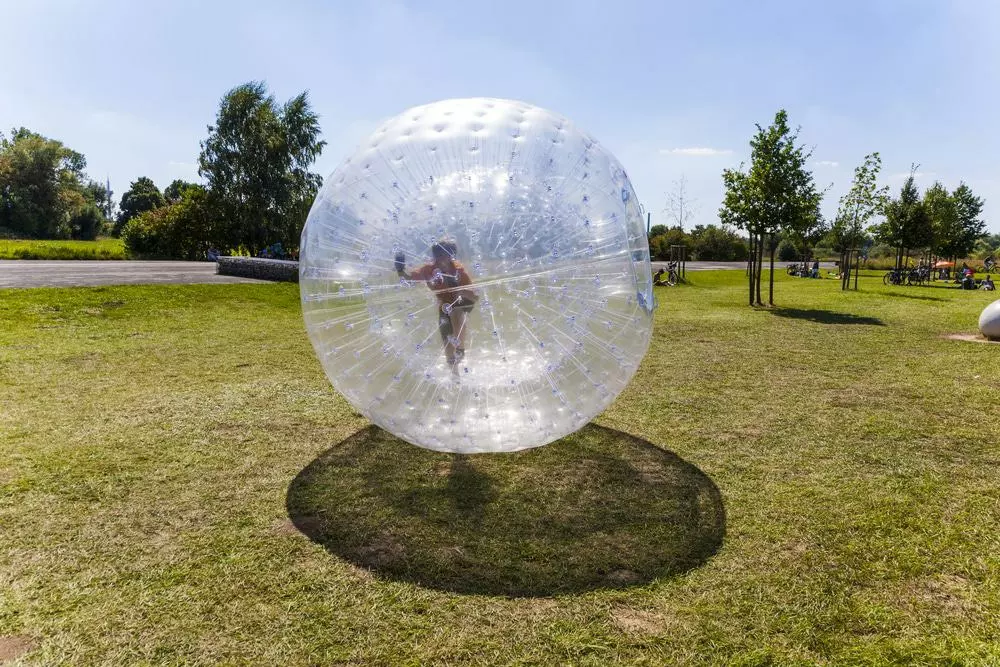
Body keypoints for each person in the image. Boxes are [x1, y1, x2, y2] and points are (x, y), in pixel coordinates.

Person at [395, 241, 477, 373]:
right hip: (444, 305)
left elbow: (474, 297)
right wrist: (400, 270)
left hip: (462, 302)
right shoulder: (428, 270)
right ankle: (455, 378)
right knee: (448, 346)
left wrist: (459, 289)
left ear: (452, 256)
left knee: (455, 311)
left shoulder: (459, 271)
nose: (440, 258)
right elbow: (408, 279)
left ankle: (460, 348)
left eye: (444, 255)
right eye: (437, 254)